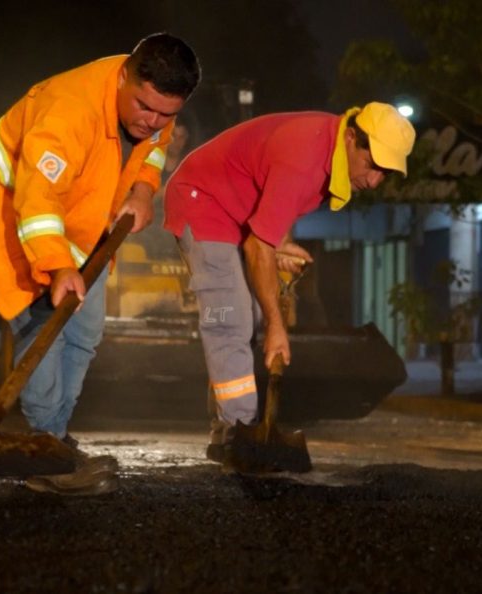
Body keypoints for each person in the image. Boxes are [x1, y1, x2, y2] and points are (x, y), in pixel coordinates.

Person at [0, 33, 201, 492]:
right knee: (43, 327)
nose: (154, 122)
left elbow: (156, 146)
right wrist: (57, 265)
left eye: (167, 114)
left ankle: (56, 440)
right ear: (125, 76)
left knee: (83, 333)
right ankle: (45, 450)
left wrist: (144, 189)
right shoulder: (69, 110)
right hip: (14, 212)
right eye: (146, 108)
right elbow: (37, 195)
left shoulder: (154, 106)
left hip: (83, 217)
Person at [163, 102, 416, 464]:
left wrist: (278, 244)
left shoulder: (327, 151)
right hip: (201, 200)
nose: (374, 180)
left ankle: (229, 432)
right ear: (350, 138)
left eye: (385, 173)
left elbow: (267, 211)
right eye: (372, 164)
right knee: (231, 318)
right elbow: (256, 244)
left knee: (244, 316)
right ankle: (239, 433)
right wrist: (277, 326)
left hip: (234, 213)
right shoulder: (306, 157)